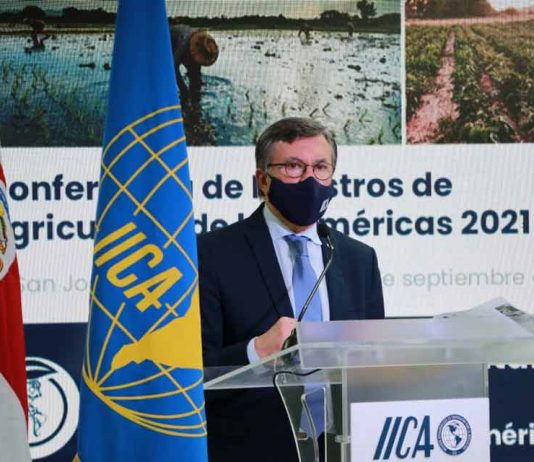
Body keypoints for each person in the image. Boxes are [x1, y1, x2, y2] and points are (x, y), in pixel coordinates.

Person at [198, 117, 384, 462]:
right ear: (262, 180)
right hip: (248, 450)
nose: (310, 179)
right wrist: (254, 352)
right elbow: (188, 373)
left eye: (321, 167)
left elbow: (371, 364)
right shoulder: (210, 255)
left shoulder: (358, 259)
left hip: (342, 449)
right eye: (293, 167)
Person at [169, 24, 219, 103]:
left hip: (190, 51)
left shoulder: (203, 42)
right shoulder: (183, 45)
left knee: (196, 81)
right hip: (171, 45)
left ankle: (195, 108)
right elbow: (172, 67)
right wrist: (183, 89)